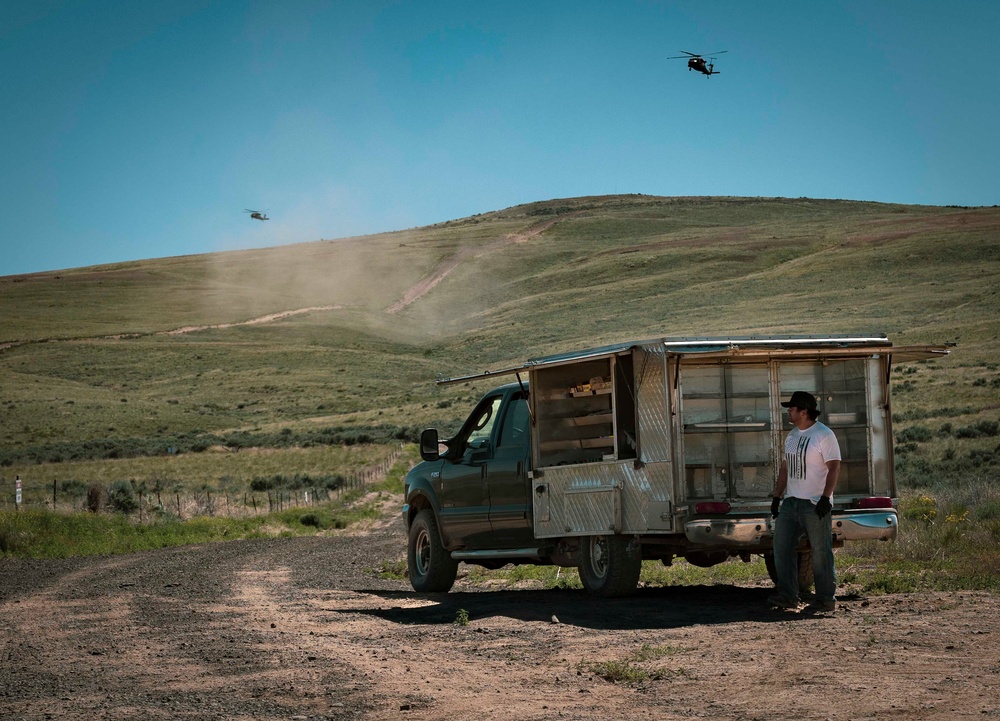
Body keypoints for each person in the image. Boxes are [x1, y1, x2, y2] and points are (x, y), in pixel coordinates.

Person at [768, 390, 842, 613]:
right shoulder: (791, 436)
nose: (788, 412)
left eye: (791, 409)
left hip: (813, 503)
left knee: (821, 552)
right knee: (781, 547)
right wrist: (777, 496)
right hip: (791, 502)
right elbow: (785, 468)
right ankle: (788, 596)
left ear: (804, 411)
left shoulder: (823, 434)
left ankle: (825, 600)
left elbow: (834, 466)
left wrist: (825, 498)